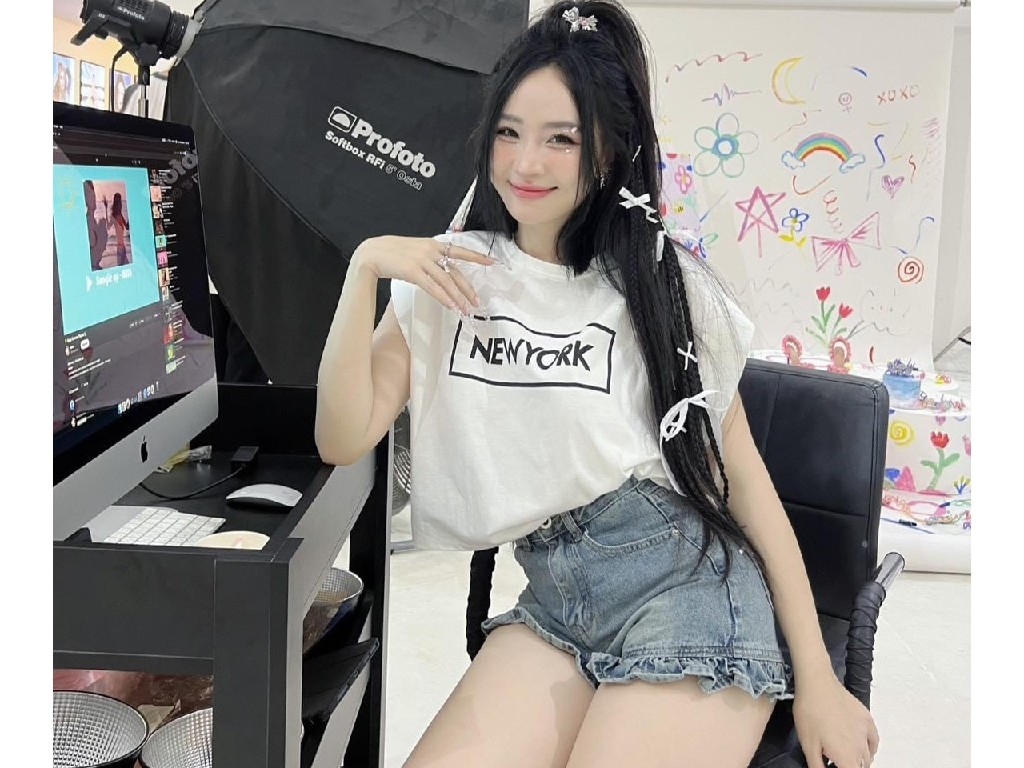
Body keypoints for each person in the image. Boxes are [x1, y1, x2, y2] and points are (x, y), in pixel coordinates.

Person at [315, 2, 879, 766]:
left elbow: (744, 482)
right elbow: (341, 437)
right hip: (559, 598)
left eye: (561, 139)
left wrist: (818, 679)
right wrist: (364, 270)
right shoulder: (450, 275)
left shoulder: (659, 286)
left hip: (688, 594)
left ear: (608, 152)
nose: (525, 163)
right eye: (509, 132)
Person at [83, 181, 109, 270]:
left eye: (94, 196)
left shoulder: (91, 220)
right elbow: (92, 244)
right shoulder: (88, 220)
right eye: (92, 196)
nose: (94, 199)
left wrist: (106, 208)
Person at [110, 193, 131, 266]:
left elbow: (127, 227)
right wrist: (106, 210)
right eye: (120, 201)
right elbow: (108, 226)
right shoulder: (114, 215)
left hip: (122, 247)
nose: (121, 203)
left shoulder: (119, 215)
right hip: (120, 248)